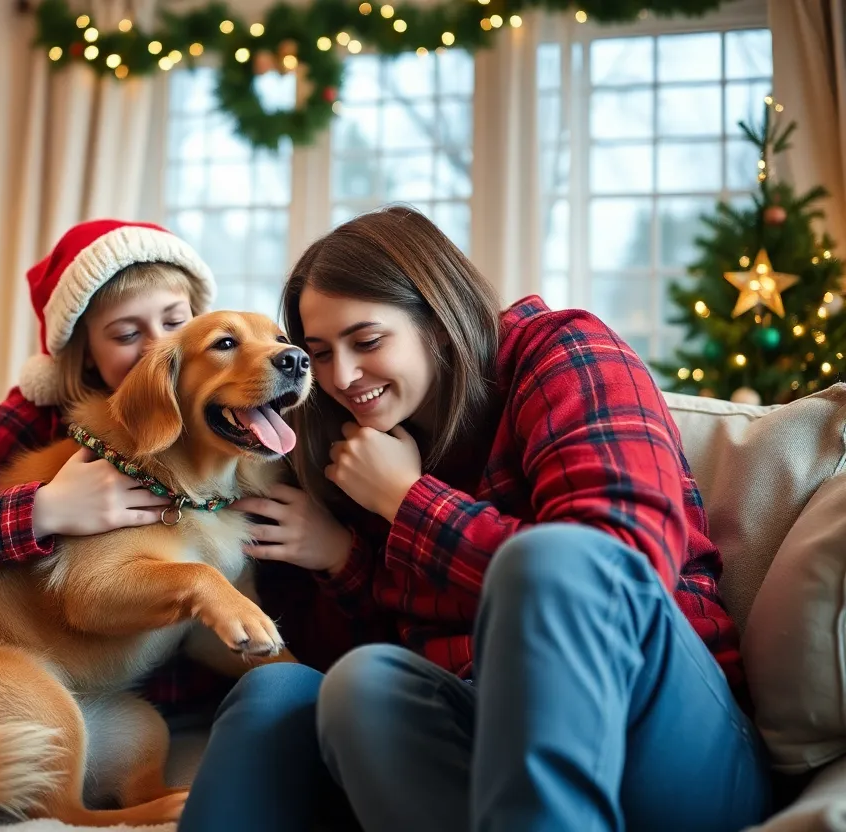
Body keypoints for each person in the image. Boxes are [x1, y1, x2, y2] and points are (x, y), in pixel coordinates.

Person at [179, 205, 771, 832]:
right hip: (482, 737)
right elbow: (371, 673)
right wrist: (343, 561)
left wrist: (410, 501)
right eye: (320, 354)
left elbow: (616, 571)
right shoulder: (353, 440)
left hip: (664, 736)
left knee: (548, 560)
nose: (343, 377)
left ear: (437, 320)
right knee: (319, 688)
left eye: (368, 341)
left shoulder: (564, 353)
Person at [0, 218, 233, 709]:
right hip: (23, 666)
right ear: (85, 358)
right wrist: (46, 509)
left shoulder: (224, 416)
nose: (157, 348)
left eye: (175, 323)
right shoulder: (38, 415)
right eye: (126, 334)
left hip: (150, 694)